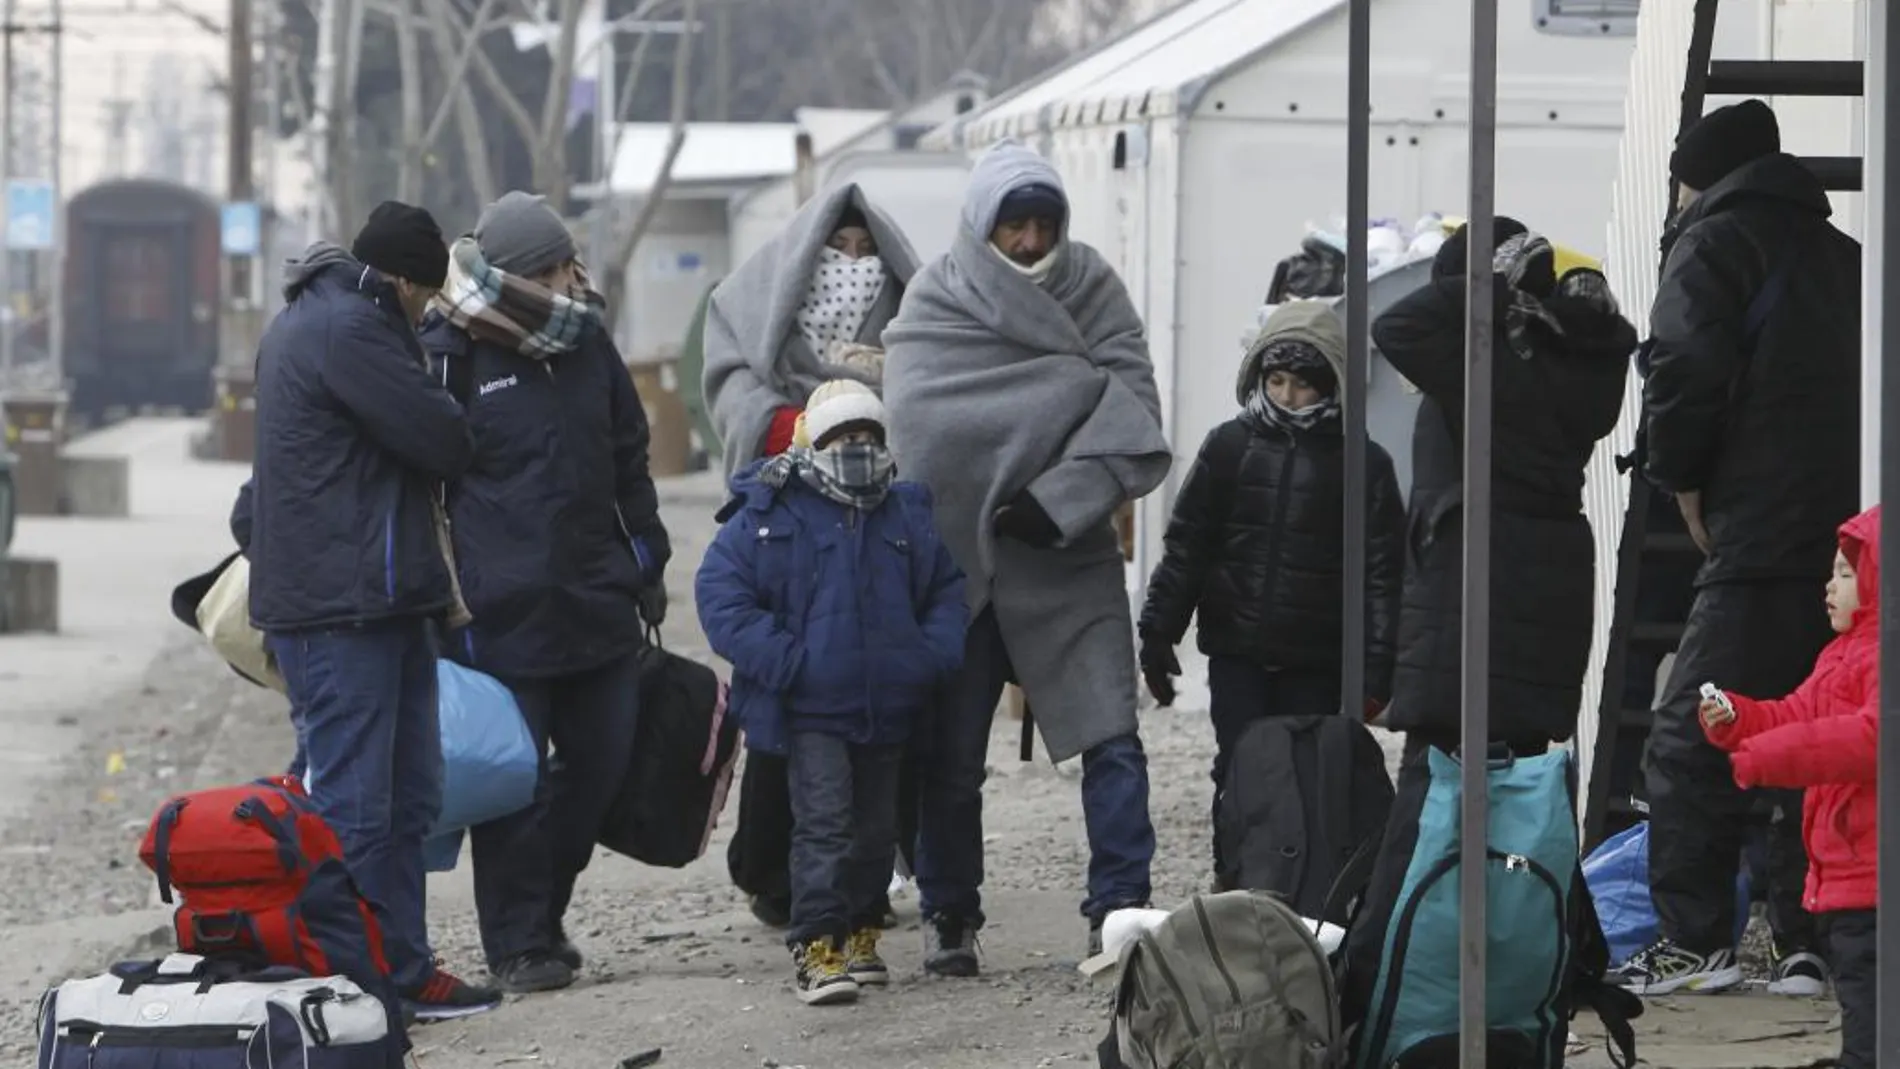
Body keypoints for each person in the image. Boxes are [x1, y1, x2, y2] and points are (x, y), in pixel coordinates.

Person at [1337, 219, 1636, 1030]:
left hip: (1470, 602)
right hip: (1548, 603)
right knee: (1527, 806)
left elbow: (1393, 325)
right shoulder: (1572, 357)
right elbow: (1617, 344)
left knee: (1432, 801)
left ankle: (1379, 990)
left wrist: (1481, 284)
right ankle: (1537, 974)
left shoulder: (1485, 361)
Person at [883, 141, 1173, 973]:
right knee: (951, 753)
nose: (1030, 239)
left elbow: (1132, 416)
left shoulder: (1094, 290)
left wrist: (1059, 499)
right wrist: (1057, 411)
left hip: (1066, 554)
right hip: (960, 566)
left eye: (1044, 222)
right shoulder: (937, 297)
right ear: (984, 225)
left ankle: (1119, 906)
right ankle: (948, 912)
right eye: (1015, 223)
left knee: (1112, 738)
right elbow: (918, 418)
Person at [1616, 98, 1862, 997]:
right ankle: (1807, 941)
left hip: (1758, 527)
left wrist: (1680, 483)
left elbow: (1681, 368)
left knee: (1689, 733)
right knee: (1815, 729)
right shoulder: (1846, 258)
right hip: (1846, 538)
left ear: (1694, 177)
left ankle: (1694, 939)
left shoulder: (1713, 243)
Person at [235, 201, 501, 1019]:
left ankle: (400, 969)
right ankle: (352, 986)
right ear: (402, 280)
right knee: (355, 807)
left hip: (375, 601)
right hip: (342, 608)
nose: (427, 315)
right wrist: (439, 388)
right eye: (425, 300)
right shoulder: (351, 330)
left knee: (407, 797)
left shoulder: (318, 320)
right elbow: (444, 438)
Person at [417, 191, 671, 994]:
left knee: (602, 765)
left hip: (599, 596)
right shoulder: (451, 351)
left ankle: (546, 907)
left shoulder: (586, 343)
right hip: (503, 611)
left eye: (572, 264)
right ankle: (520, 940)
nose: (574, 280)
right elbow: (427, 483)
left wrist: (647, 557)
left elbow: (630, 454)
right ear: (523, 275)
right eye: (560, 268)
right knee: (513, 779)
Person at [695, 380, 967, 1006]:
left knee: (877, 831)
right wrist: (790, 664)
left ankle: (863, 933)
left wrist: (924, 659)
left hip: (888, 709)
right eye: (842, 437)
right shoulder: (770, 510)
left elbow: (945, 593)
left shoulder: (904, 513)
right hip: (812, 711)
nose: (856, 448)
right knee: (823, 826)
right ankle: (817, 946)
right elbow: (721, 596)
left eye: (868, 436)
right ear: (812, 443)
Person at [702, 185, 924, 930]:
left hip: (873, 535)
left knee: (870, 732)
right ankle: (772, 873)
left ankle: (857, 886)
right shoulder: (752, 301)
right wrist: (808, 424)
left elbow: (929, 401)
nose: (854, 267)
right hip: (784, 537)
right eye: (840, 253)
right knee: (779, 723)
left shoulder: (913, 321)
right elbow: (736, 397)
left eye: (868, 252)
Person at [1136, 299, 1405, 887]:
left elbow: (1384, 573)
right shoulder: (1228, 448)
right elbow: (1188, 547)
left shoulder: (1364, 464)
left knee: (1309, 772)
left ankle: (1302, 891)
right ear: (1258, 377)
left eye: (1303, 384)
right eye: (1276, 380)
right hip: (1239, 649)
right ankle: (1234, 884)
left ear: (1330, 384)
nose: (1287, 396)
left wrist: (1379, 670)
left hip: (1317, 654)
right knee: (1240, 769)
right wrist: (1158, 631)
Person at [1700, 504, 1880, 1068]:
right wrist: (1742, 722)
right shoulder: (1840, 655)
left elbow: (1869, 738)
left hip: (1876, 882)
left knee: (1873, 1007)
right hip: (1850, 878)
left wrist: (1767, 756)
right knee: (1862, 996)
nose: (1829, 586)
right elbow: (1796, 714)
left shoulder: (1883, 656)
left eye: (1845, 574)